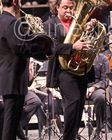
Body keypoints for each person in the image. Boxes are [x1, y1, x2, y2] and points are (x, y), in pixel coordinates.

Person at [0, 0, 53, 139]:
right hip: (13, 80)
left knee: (12, 125)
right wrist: (43, 47)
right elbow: (21, 48)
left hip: (9, 79)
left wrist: (30, 35)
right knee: (10, 127)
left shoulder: (2, 20)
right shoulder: (12, 22)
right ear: (14, 2)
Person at [43, 0, 94, 139]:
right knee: (73, 102)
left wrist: (90, 29)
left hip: (81, 69)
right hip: (63, 71)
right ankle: (67, 137)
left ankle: (72, 135)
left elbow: (88, 42)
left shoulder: (79, 23)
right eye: (65, 7)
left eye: (71, 8)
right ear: (57, 7)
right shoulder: (49, 25)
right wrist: (72, 47)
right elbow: (51, 47)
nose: (69, 11)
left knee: (79, 106)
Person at [86, 53, 110, 139]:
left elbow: (105, 80)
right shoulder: (77, 56)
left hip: (95, 87)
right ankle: (72, 131)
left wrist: (93, 88)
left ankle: (99, 128)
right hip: (79, 86)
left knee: (101, 97)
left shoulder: (103, 59)